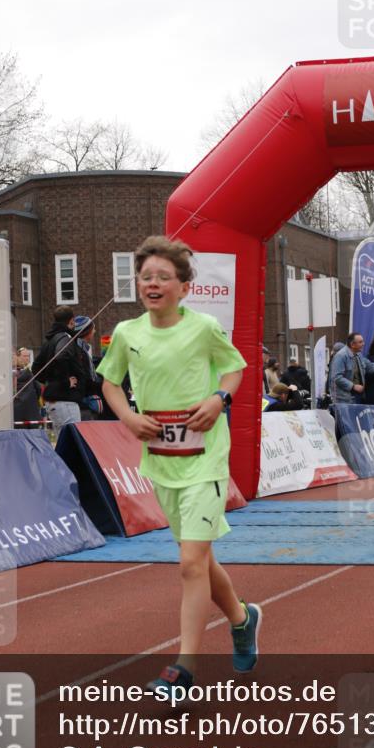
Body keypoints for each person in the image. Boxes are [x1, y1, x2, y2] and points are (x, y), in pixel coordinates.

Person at [97, 235, 256, 695]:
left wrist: (218, 398)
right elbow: (109, 382)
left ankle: (183, 669)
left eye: (163, 277)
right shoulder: (128, 334)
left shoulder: (204, 327)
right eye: (146, 276)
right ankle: (243, 619)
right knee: (200, 559)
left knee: (189, 563)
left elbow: (234, 369)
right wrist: (127, 416)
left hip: (206, 459)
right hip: (162, 462)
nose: (153, 283)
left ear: (184, 287)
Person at [31, 305, 84, 434]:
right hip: (65, 401)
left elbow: (36, 368)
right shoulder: (66, 338)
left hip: (54, 401)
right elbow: (61, 357)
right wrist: (65, 381)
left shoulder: (49, 341)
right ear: (72, 321)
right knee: (72, 445)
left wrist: (51, 382)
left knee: (64, 444)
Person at [330, 333, 374, 405]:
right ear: (352, 344)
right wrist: (353, 386)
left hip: (357, 397)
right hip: (344, 400)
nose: (363, 344)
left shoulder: (358, 355)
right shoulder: (341, 356)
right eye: (360, 342)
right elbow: (337, 377)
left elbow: (370, 366)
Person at [74, 315, 103, 421]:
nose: (94, 331)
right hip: (85, 403)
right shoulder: (80, 351)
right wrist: (101, 381)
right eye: (93, 329)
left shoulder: (82, 349)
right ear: (87, 331)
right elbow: (87, 377)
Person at [13, 347, 42, 427]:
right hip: (29, 412)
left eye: (28, 356)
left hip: (19, 411)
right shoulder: (18, 373)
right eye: (24, 356)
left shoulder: (29, 372)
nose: (27, 358)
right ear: (17, 357)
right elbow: (38, 389)